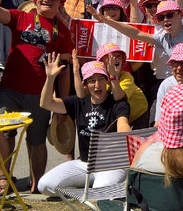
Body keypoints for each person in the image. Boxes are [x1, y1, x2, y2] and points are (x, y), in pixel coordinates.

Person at [0, 0, 74, 194]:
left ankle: (37, 185)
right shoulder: (20, 17)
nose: (47, 0)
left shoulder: (63, 33)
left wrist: (62, 105)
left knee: (36, 141)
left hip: (40, 94)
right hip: (10, 89)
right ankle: (4, 177)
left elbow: (64, 72)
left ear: (60, 2)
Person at [37, 53, 130, 196]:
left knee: (99, 193)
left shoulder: (118, 103)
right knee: (44, 185)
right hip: (85, 163)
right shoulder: (78, 103)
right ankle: (85, 190)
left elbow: (123, 126)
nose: (97, 85)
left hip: (111, 164)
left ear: (106, 80)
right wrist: (50, 78)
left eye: (101, 79)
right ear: (85, 84)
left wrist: (122, 133)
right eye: (92, 81)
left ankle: (101, 189)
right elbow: (46, 103)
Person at [88, 42, 149, 127]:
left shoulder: (126, 76)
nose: (116, 59)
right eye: (111, 57)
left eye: (118, 56)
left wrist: (113, 76)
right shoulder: (99, 78)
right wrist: (76, 70)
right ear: (101, 61)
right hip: (118, 115)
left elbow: (118, 97)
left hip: (137, 114)